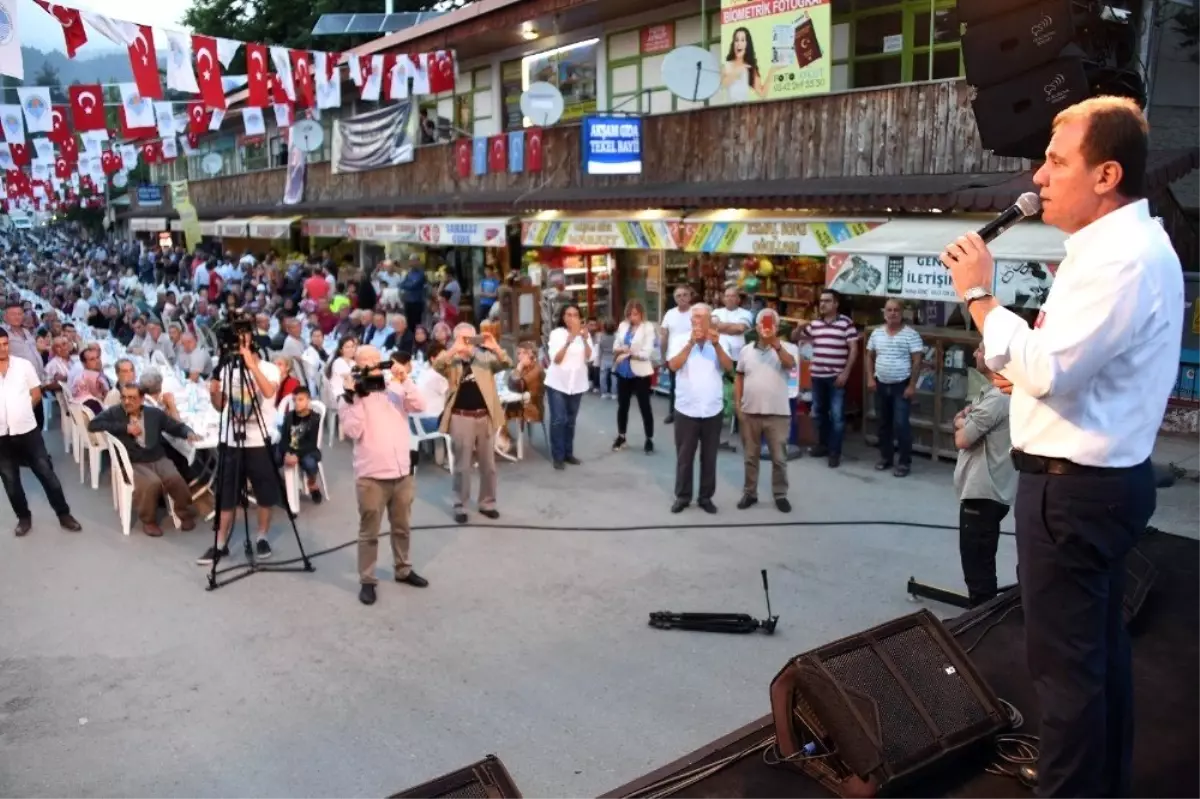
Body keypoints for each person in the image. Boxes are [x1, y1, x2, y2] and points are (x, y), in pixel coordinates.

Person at [940, 96, 1181, 799]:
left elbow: (1048, 369)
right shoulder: (1124, 250)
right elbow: (1061, 368)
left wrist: (980, 296)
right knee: (1098, 657)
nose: (1038, 177)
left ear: (1106, 175)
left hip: (1074, 491)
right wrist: (1013, 360)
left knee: (1065, 674)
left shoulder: (1120, 260)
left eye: (1055, 161)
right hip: (1097, 482)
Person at [337, 345, 429, 605]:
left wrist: (405, 378)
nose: (372, 366)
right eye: (365, 362)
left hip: (401, 471)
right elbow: (354, 431)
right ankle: (367, 580)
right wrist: (353, 397)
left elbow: (420, 405)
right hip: (371, 475)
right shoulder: (349, 393)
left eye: (377, 361)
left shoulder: (395, 386)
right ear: (356, 365)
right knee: (369, 532)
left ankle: (404, 569)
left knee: (402, 527)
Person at [196, 331, 283, 566]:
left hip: (259, 441)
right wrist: (214, 393)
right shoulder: (228, 369)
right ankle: (220, 544)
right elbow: (220, 406)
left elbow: (268, 392)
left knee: (265, 494)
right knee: (226, 495)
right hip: (232, 440)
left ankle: (262, 537)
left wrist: (251, 365)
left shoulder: (269, 369)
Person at [87, 383, 199, 537]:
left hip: (157, 457)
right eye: (124, 397)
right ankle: (149, 520)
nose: (127, 402)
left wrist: (188, 433)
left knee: (175, 478)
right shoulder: (115, 412)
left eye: (132, 398)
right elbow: (93, 424)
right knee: (151, 483)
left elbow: (174, 426)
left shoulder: (154, 414)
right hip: (134, 460)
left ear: (141, 399)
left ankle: (185, 513)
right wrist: (124, 428)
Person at [0, 327, 82, 536]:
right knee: (10, 480)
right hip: (1, 435)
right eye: (0, 346)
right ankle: (24, 518)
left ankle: (64, 514)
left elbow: (36, 393)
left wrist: (23, 409)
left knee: (46, 473)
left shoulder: (23, 366)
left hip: (27, 430)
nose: (3, 349)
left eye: (5, 344)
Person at [953, 346, 1016, 608]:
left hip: (983, 494)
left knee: (978, 571)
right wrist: (963, 420)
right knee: (980, 564)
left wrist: (961, 423)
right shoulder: (992, 393)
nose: (974, 353)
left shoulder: (997, 398)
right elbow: (962, 419)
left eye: (979, 349)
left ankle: (982, 626)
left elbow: (962, 438)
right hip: (991, 492)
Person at [432, 323, 512, 524]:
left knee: (488, 465)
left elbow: (507, 363)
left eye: (471, 338)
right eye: (464, 338)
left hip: (484, 416)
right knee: (462, 465)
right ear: (456, 339)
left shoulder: (484, 357)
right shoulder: (452, 360)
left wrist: (494, 346)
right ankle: (460, 504)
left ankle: (487, 503)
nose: (468, 343)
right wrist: (454, 349)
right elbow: (436, 365)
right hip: (461, 417)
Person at [666, 304, 732, 514]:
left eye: (702, 317)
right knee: (685, 457)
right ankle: (683, 496)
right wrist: (690, 344)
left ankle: (706, 497)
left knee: (709, 457)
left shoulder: (721, 340)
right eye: (694, 317)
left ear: (710, 319)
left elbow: (729, 367)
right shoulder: (679, 339)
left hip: (712, 407)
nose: (697, 320)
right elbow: (673, 366)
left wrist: (717, 345)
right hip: (687, 408)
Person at [734, 309, 795, 513]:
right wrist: (738, 405)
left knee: (779, 458)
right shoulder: (746, 350)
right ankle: (750, 493)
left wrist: (776, 344)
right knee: (750, 456)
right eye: (762, 323)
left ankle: (780, 494)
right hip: (751, 412)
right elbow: (739, 376)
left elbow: (790, 365)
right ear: (757, 327)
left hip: (778, 413)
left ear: (777, 327)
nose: (766, 327)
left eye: (770, 323)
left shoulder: (786, 348)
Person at [793, 289, 857, 468]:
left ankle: (834, 452)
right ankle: (823, 445)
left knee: (836, 416)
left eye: (827, 301)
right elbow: (795, 338)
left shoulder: (846, 323)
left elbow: (854, 349)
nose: (823, 304)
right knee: (819, 413)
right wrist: (799, 327)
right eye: (821, 301)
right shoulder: (815, 324)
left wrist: (845, 373)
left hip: (836, 377)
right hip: (817, 376)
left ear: (836, 304)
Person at [866, 300, 924, 477]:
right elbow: (869, 356)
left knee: (901, 424)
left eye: (896, 310)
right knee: (883, 423)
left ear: (902, 313)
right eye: (889, 310)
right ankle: (886, 457)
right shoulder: (876, 334)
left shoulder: (911, 335)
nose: (893, 313)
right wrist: (870, 378)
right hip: (881, 384)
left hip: (901, 385)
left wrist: (912, 385)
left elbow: (917, 361)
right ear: (884, 313)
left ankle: (904, 462)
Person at [544, 303, 591, 470]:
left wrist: (585, 340)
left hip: (577, 383)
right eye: (568, 315)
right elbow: (556, 359)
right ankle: (558, 455)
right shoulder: (557, 334)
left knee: (570, 421)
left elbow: (590, 357)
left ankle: (568, 453)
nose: (572, 318)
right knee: (558, 419)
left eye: (575, 315)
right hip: (558, 382)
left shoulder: (584, 334)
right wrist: (568, 341)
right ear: (563, 318)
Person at [611, 299, 657, 453]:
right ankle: (621, 436)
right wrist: (621, 350)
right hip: (623, 371)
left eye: (635, 314)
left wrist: (629, 353)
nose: (632, 317)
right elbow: (615, 346)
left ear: (641, 314)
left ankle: (649, 439)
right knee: (622, 406)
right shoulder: (623, 326)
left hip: (640, 373)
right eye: (630, 314)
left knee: (645, 407)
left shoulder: (648, 327)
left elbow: (647, 353)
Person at [279, 387, 324, 504]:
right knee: (274, 455)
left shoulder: (314, 418)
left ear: (308, 400)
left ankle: (312, 483)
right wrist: (288, 452)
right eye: (294, 400)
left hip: (307, 450)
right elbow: (284, 438)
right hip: (290, 448)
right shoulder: (289, 416)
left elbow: (311, 443)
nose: (297, 403)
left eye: (300, 399)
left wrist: (296, 455)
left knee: (310, 463)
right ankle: (280, 486)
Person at [659, 286, 695, 425]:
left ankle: (691, 413)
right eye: (678, 296)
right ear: (674, 299)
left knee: (692, 385)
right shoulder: (670, 314)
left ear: (690, 297)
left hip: (692, 356)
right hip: (673, 356)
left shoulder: (696, 312)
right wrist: (662, 355)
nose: (682, 298)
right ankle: (673, 413)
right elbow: (664, 335)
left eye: (685, 294)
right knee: (674, 386)